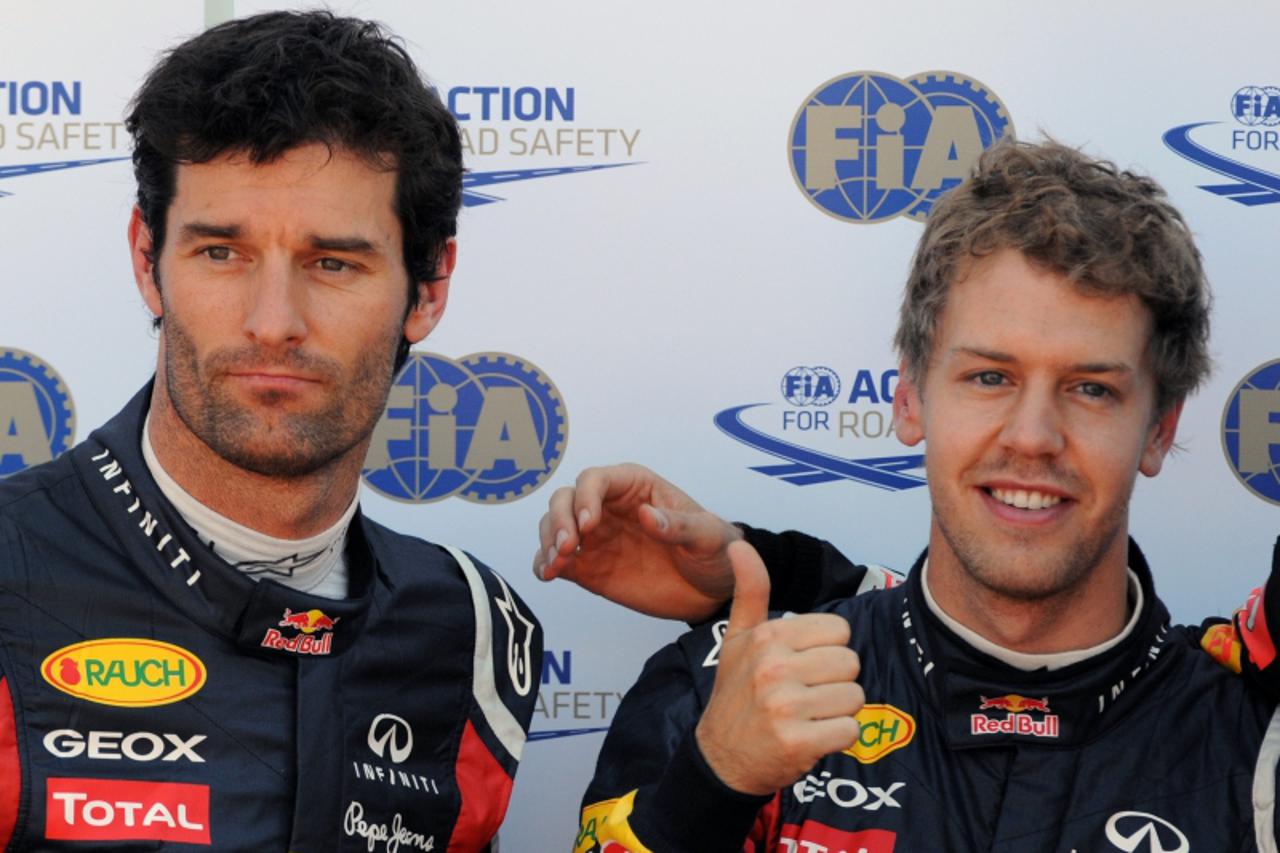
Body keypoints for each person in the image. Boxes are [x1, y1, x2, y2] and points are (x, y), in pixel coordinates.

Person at [536, 140, 1280, 850]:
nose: (1032, 437)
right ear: (909, 398)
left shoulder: (1251, 739)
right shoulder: (726, 685)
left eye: (1091, 389)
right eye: (990, 376)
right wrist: (713, 784)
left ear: (1159, 430)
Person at [0, 12, 539, 851]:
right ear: (148, 260)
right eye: (222, 253)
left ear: (428, 288)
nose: (273, 322)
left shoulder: (472, 628)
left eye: (334, 263)